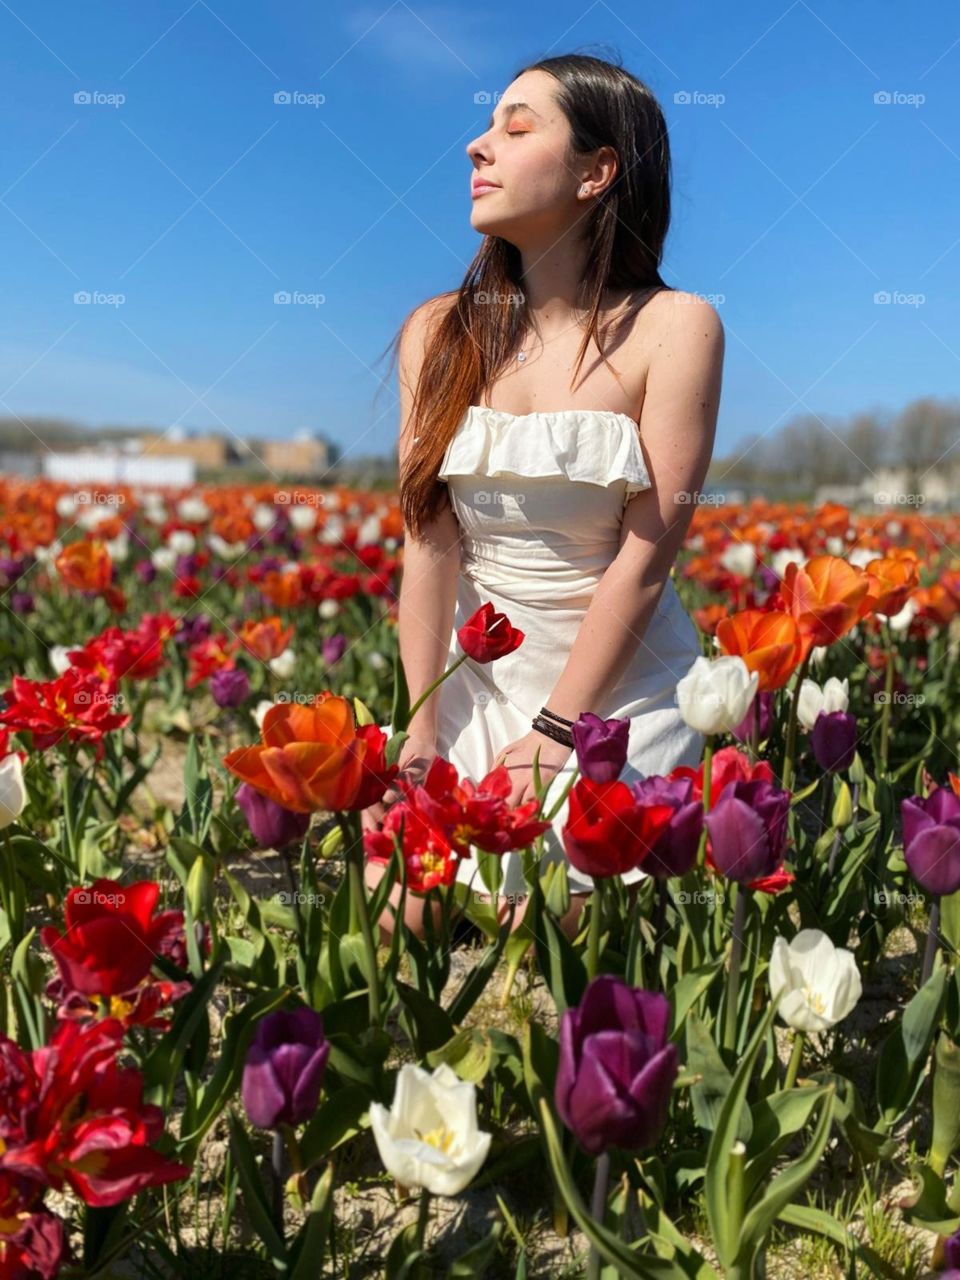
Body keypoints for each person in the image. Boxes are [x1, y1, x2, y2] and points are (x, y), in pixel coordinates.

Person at [361, 52, 723, 940]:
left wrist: (558, 734)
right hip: (474, 686)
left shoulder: (672, 329)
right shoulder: (438, 331)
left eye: (517, 128)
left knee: (548, 922)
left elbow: (646, 559)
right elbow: (429, 548)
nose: (477, 146)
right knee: (401, 911)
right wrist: (419, 731)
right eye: (489, 126)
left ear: (598, 171)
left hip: (615, 697)